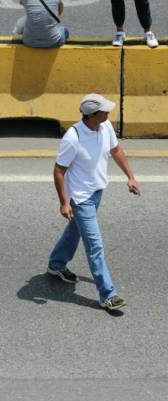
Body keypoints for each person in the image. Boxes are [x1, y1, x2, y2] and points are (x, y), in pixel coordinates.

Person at [47, 93, 140, 311]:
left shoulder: (105, 127)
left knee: (74, 231)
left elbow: (115, 150)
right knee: (95, 245)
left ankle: (56, 264)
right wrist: (64, 202)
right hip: (80, 198)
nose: (109, 112)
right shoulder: (73, 138)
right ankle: (108, 294)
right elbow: (59, 171)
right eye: (105, 110)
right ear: (92, 114)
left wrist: (130, 176)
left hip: (97, 191)